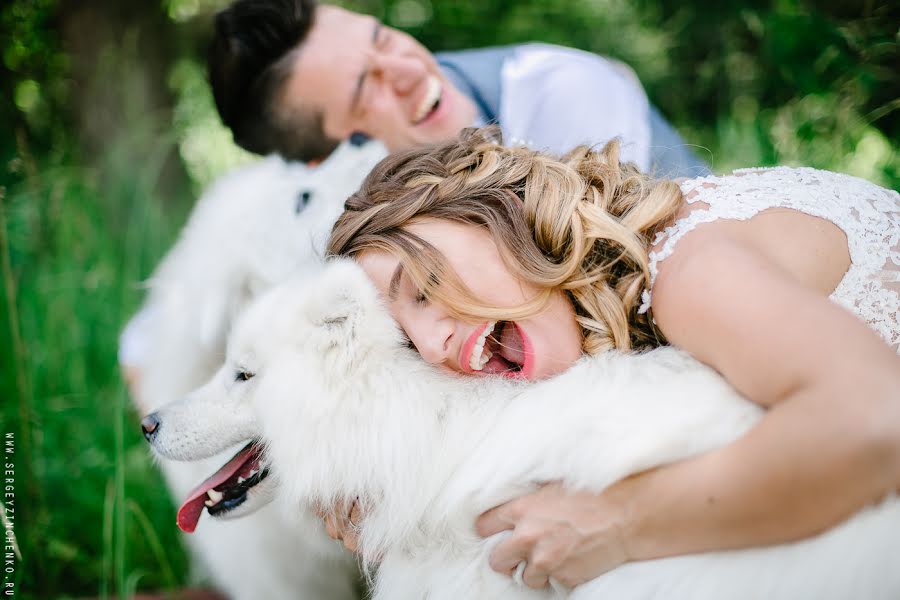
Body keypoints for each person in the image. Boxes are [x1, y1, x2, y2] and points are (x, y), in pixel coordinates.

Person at [322, 127, 900, 589]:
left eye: (422, 286)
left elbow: (875, 421)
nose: (432, 345)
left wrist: (622, 522)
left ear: (490, 211)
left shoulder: (691, 269)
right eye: (405, 339)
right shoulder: (606, 296)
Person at [208, 0, 709, 177]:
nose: (408, 70)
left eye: (381, 37)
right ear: (337, 150)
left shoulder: (560, 95)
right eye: (366, 90)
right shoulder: (323, 195)